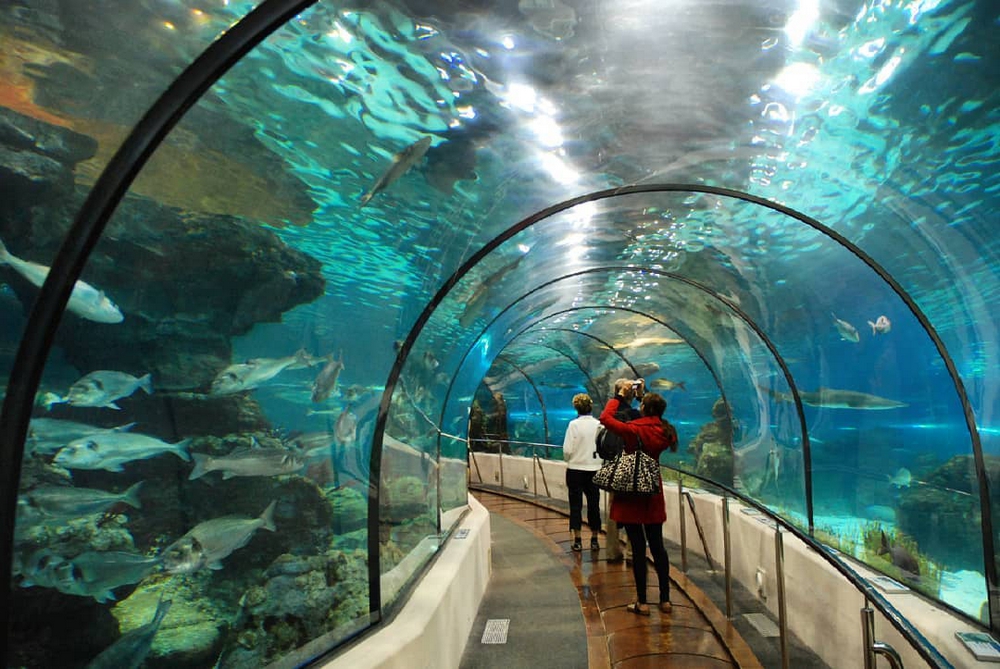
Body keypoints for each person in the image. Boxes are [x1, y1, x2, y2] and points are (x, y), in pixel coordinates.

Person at [600, 378, 678, 616]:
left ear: (643, 407)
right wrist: (645, 396)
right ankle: (665, 600)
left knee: (637, 544)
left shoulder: (634, 430)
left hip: (632, 491)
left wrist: (621, 396)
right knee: (658, 547)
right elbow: (655, 412)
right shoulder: (665, 431)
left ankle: (642, 601)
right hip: (653, 491)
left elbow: (605, 418)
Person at [604, 379, 640, 564]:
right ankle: (633, 553)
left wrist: (618, 395)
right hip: (632, 467)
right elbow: (650, 421)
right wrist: (641, 397)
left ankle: (612, 551)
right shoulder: (634, 414)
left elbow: (604, 418)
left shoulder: (612, 415)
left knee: (613, 510)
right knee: (634, 509)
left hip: (613, 467)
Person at [562, 393, 603, 552]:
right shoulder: (599, 425)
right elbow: (602, 447)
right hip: (594, 469)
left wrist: (571, 459)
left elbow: (567, 450)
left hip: (575, 470)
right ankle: (594, 539)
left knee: (575, 505)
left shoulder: (573, 425)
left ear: (576, 407)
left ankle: (578, 540)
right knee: (594, 505)